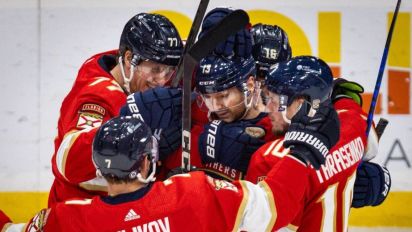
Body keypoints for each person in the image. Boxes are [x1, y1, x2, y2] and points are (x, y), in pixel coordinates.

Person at [1, 114, 339, 231]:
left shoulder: (68, 221)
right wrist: (303, 154)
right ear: (148, 161)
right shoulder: (194, 194)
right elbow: (271, 208)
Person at [48, 12, 183, 206]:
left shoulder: (136, 67)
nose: (162, 80)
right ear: (129, 59)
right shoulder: (96, 97)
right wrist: (134, 119)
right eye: (155, 70)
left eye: (168, 71)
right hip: (82, 215)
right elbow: (68, 162)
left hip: (123, 211)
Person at [244, 55, 385, 231]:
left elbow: (254, 223)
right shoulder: (353, 124)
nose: (268, 108)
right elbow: (368, 137)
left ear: (303, 104)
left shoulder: (269, 159)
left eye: (276, 100)